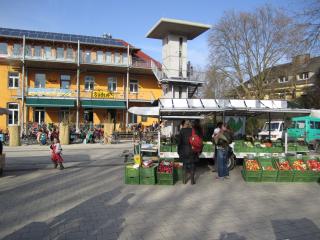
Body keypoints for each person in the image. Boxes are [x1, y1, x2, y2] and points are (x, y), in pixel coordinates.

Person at [177, 120, 197, 185]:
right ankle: (192, 181)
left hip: (184, 150)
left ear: (184, 124)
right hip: (192, 149)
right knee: (192, 165)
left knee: (184, 165)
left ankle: (184, 180)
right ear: (189, 124)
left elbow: (179, 142)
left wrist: (178, 151)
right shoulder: (193, 130)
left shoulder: (182, 131)